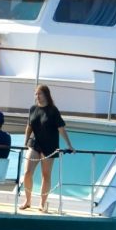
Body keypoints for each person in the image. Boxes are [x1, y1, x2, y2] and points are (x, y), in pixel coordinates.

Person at [22, 84, 74, 212]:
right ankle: (27, 200)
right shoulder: (33, 109)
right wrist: (25, 141)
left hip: (49, 146)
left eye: (40, 94)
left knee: (46, 175)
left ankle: (42, 203)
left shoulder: (53, 110)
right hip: (34, 144)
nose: (37, 96)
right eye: (36, 94)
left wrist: (69, 145)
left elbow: (61, 128)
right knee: (27, 173)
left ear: (46, 95)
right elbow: (29, 126)